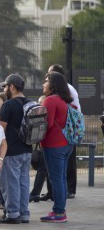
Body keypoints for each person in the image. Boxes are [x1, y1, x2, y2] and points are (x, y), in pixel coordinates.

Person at [39, 71, 74, 223]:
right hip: (66, 144)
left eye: (46, 81)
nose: (43, 84)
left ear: (53, 84)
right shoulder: (64, 101)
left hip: (53, 145)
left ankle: (59, 212)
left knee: (56, 180)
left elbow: (48, 124)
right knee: (61, 179)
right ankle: (61, 210)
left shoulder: (50, 101)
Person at [0, 74, 32, 225]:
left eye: (5, 86)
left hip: (11, 151)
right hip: (27, 149)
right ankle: (24, 214)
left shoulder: (8, 105)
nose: (4, 89)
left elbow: (0, 129)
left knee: (10, 184)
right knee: (23, 183)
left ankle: (12, 214)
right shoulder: (30, 103)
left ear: (11, 87)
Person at [48, 64, 80, 199]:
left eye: (49, 75)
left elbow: (73, 108)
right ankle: (63, 193)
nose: (47, 77)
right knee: (63, 168)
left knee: (67, 165)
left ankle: (70, 190)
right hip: (67, 129)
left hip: (67, 129)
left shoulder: (66, 91)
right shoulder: (62, 92)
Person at [30, 95, 53, 203]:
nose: (40, 105)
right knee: (47, 169)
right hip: (47, 145)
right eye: (39, 103)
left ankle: (35, 193)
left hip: (49, 145)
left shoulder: (47, 115)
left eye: (42, 103)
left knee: (42, 168)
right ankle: (51, 193)